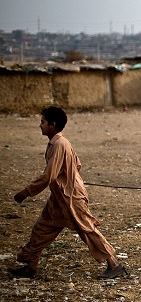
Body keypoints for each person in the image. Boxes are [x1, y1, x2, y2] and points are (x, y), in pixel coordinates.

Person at [10, 106, 127, 279]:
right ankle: (30, 266)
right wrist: (67, 176)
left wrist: (26, 192)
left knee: (87, 230)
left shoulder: (59, 145)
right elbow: (76, 165)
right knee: (41, 229)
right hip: (60, 197)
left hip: (71, 197)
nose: (40, 125)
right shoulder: (57, 143)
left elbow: (48, 176)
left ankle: (114, 265)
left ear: (53, 125)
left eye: (42, 122)